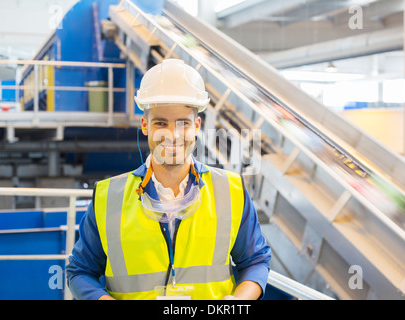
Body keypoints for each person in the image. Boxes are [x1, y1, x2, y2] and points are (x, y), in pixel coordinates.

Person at [66, 59, 271, 300]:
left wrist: (237, 301)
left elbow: (256, 261)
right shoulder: (109, 197)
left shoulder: (230, 190)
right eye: (161, 123)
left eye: (183, 123)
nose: (172, 135)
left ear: (196, 125)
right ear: (145, 125)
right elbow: (79, 271)